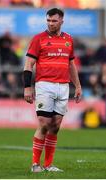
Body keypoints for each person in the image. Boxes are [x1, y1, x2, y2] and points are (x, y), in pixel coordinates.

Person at [23, 8, 82, 173]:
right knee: (44, 124)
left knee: (55, 126)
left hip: (63, 86)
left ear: (61, 21)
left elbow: (71, 65)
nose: (50, 23)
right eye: (48, 20)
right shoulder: (38, 39)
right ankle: (35, 164)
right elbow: (28, 65)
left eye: (54, 21)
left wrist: (77, 85)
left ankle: (48, 165)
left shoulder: (68, 40)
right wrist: (27, 87)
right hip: (44, 85)